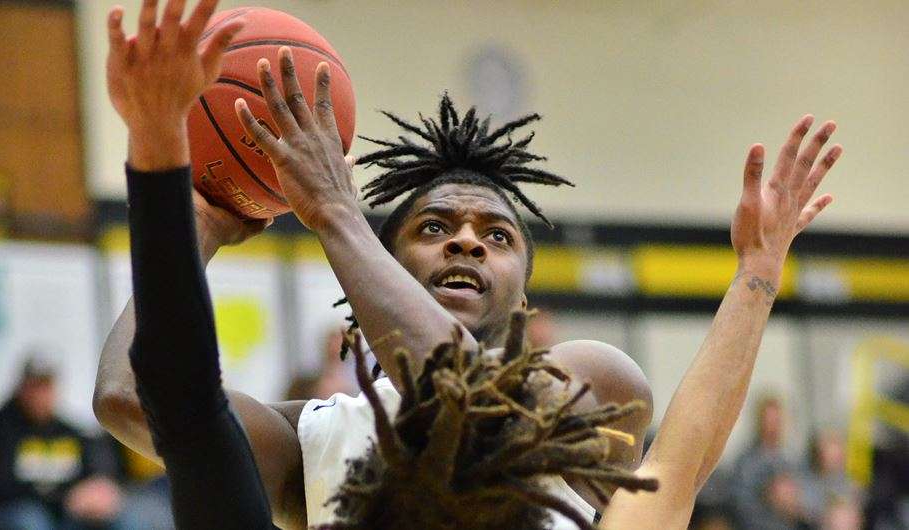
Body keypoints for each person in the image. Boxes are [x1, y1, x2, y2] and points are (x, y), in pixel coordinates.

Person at [94, 1, 841, 528]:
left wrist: (337, 214)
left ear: (522, 302)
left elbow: (473, 411)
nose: (468, 242)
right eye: (435, 226)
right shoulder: (318, 434)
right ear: (373, 275)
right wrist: (197, 225)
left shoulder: (585, 386)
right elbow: (138, 397)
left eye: (498, 236)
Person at [0, 356, 127, 530]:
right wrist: (65, 497)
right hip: (3, 514)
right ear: (21, 388)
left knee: (118, 516)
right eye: (35, 387)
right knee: (32, 520)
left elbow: (97, 468)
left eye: (46, 387)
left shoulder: (67, 431)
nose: (40, 395)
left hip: (58, 512)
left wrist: (99, 489)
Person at [732, 396, 807, 530]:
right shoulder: (746, 462)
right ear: (760, 422)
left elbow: (806, 496)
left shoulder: (792, 458)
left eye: (777, 420)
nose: (774, 426)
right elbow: (740, 505)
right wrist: (767, 494)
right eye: (769, 420)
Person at [286, 327, 360, 400]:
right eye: (333, 342)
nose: (336, 347)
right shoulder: (304, 383)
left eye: (341, 343)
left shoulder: (355, 384)